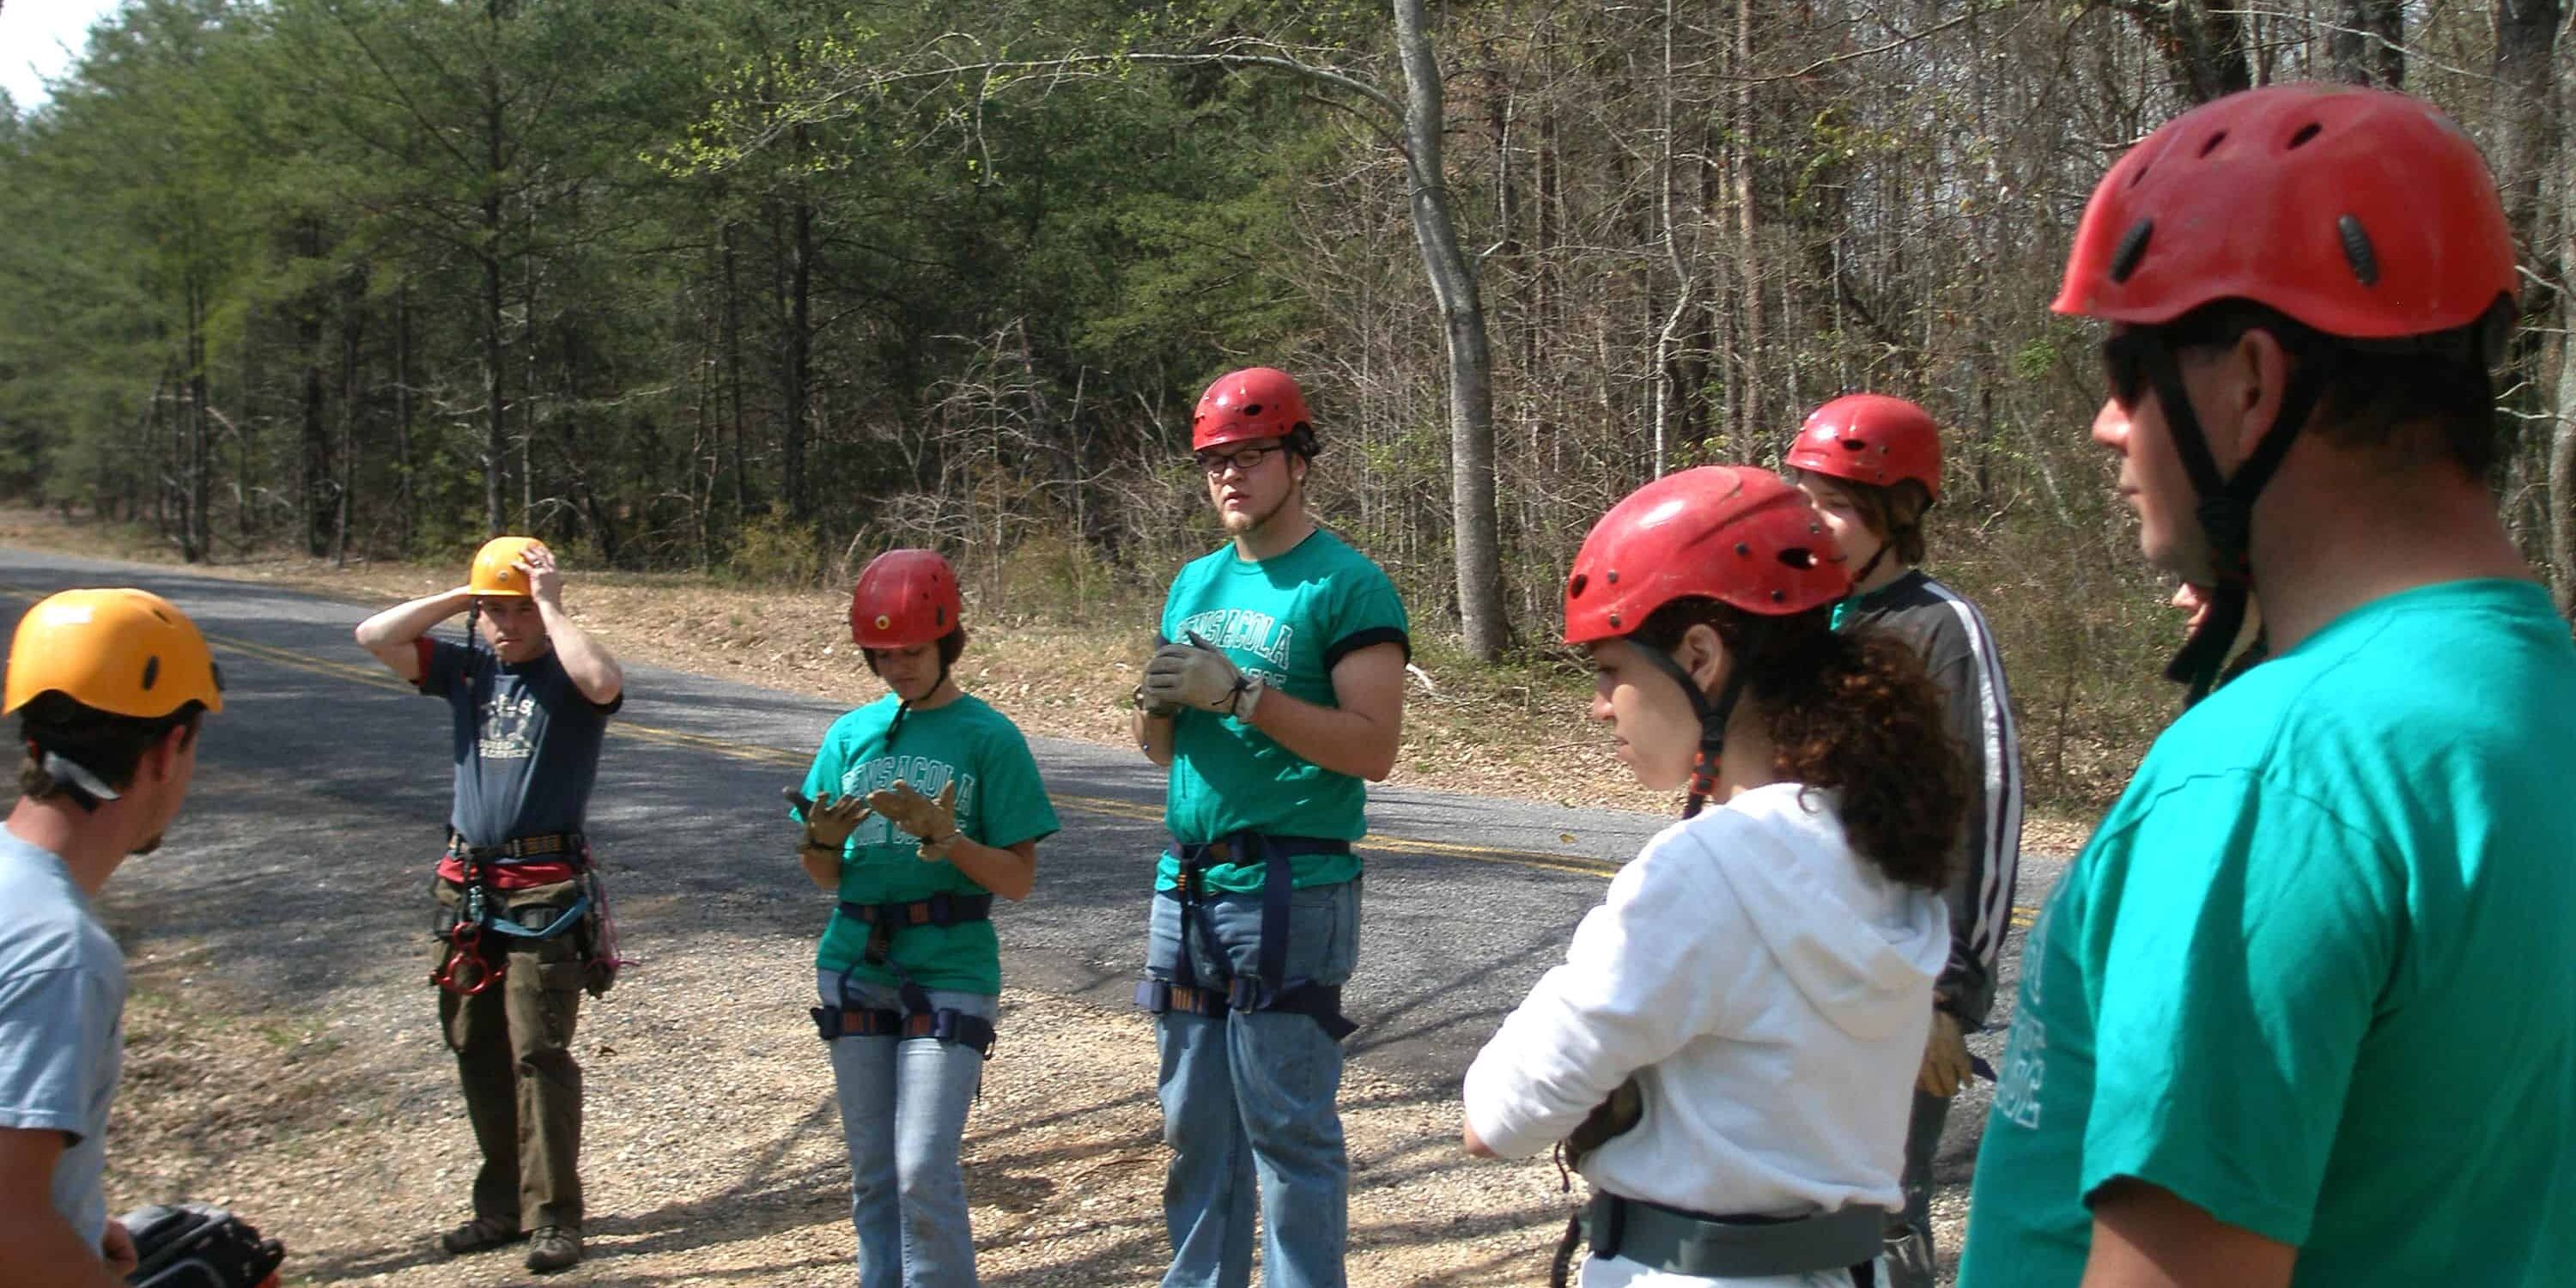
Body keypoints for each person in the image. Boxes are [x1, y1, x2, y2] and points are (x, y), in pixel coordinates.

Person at [1959, 83, 2576, 1286]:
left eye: (2129, 368)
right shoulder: (2537, 704)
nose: (2106, 426)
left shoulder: (2274, 777)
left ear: (2252, 381)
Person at [1461, 465, 1966, 1288]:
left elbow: (1499, 1118)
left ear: (1699, 655)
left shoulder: (1702, 872)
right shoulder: (1881, 848)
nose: (1600, 705)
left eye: (1609, 669)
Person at [1130, 366, 1409, 1288]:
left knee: (1288, 1134)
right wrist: (1156, 706)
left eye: (1251, 455)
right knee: (1192, 1130)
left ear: (1299, 460)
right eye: (1215, 461)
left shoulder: (1347, 585)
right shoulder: (1194, 582)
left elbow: (1373, 747)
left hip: (1291, 890)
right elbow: (1160, 751)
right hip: (1187, 885)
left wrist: (1244, 695)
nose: (1230, 476)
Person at [1783, 393, 2024, 1287]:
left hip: (1898, 983)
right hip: (1795, 971)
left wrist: (1947, 996)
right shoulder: (1797, 622)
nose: (1816, 523)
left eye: (1839, 507)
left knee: (1880, 1218)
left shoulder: (1941, 629)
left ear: (1899, 515)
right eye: (1805, 499)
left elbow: (1984, 814)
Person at [354, 537, 624, 1274]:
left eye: (517, 611)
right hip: (468, 886)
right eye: (494, 612)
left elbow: (605, 683)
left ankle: (554, 1216)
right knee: (475, 1044)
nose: (506, 625)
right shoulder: (467, 670)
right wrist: (461, 597)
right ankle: (501, 1206)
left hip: (545, 890)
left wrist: (550, 605)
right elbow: (374, 635)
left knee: (538, 1051)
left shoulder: (566, 674)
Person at [790, 548, 1059, 1287]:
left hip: (951, 967)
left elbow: (1019, 880)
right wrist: (821, 843)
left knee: (920, 1168)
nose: (897, 667)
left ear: (948, 641)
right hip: (854, 960)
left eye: (911, 651)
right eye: (882, 655)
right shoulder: (851, 734)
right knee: (874, 1173)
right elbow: (824, 875)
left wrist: (950, 841)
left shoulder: (989, 737)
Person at [0, 589, 222, 1287]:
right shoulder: (61, 952)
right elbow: (7, 1229)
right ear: (170, 750)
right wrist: (44, 1233)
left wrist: (71, 1215)